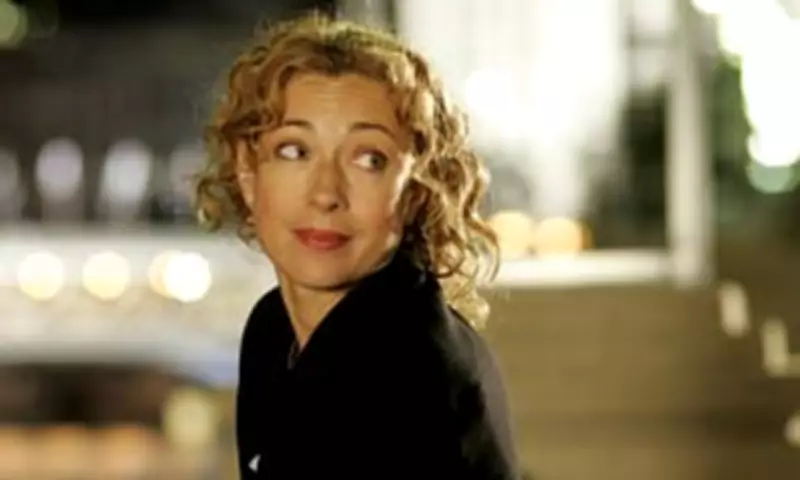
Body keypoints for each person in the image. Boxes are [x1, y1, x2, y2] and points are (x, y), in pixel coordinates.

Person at [194, 12, 520, 480]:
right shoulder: (274, 330)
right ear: (248, 172)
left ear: (415, 190)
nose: (326, 193)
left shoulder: (406, 373)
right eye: (294, 151)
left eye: (369, 159)